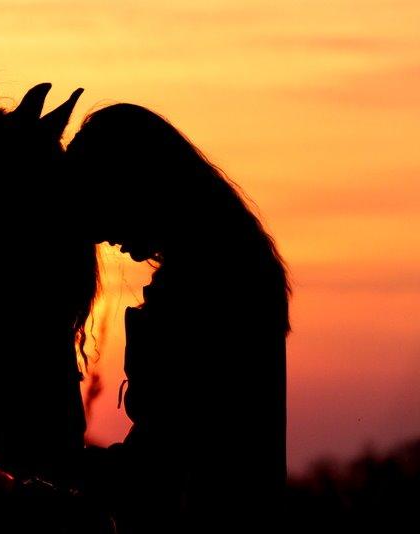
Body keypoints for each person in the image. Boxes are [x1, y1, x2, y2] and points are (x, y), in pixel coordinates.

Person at [67, 104, 291, 530]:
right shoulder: (231, 270)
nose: (103, 236)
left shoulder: (209, 286)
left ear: (136, 184)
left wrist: (64, 468)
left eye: (101, 205)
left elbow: (166, 464)